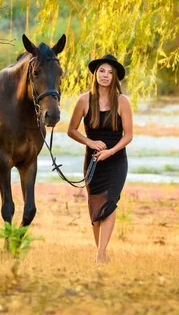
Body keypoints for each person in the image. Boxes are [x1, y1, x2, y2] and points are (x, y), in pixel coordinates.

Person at [67, 54, 133, 264]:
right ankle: (101, 253)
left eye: (110, 73)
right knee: (95, 208)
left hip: (116, 161)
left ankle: (100, 254)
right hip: (93, 162)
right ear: (95, 74)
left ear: (115, 78)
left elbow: (129, 135)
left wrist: (110, 151)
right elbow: (71, 130)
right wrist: (90, 143)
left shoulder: (122, 101)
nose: (105, 76)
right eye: (102, 71)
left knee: (110, 204)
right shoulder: (84, 100)